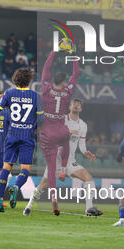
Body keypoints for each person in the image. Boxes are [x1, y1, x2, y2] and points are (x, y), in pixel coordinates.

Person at [24, 99, 103, 216]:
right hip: (56, 160)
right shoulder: (61, 121)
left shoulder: (83, 125)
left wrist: (86, 152)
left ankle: (89, 209)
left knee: (89, 179)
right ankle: (29, 206)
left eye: (78, 105)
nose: (76, 106)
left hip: (70, 161)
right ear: (69, 107)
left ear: (81, 109)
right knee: (43, 185)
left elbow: (81, 144)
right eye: (74, 104)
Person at [0, 68, 44, 212]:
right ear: (29, 80)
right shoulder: (36, 96)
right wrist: (33, 128)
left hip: (12, 136)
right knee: (25, 169)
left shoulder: (9, 93)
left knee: (6, 167)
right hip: (27, 137)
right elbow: (42, 119)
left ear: (15, 79)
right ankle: (16, 187)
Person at [40, 48, 79, 215]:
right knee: (66, 141)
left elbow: (46, 69)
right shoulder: (67, 91)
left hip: (48, 132)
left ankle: (53, 197)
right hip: (62, 130)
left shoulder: (46, 89)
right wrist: (73, 55)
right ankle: (64, 169)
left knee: (50, 167)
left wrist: (54, 51)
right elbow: (76, 73)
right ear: (64, 82)